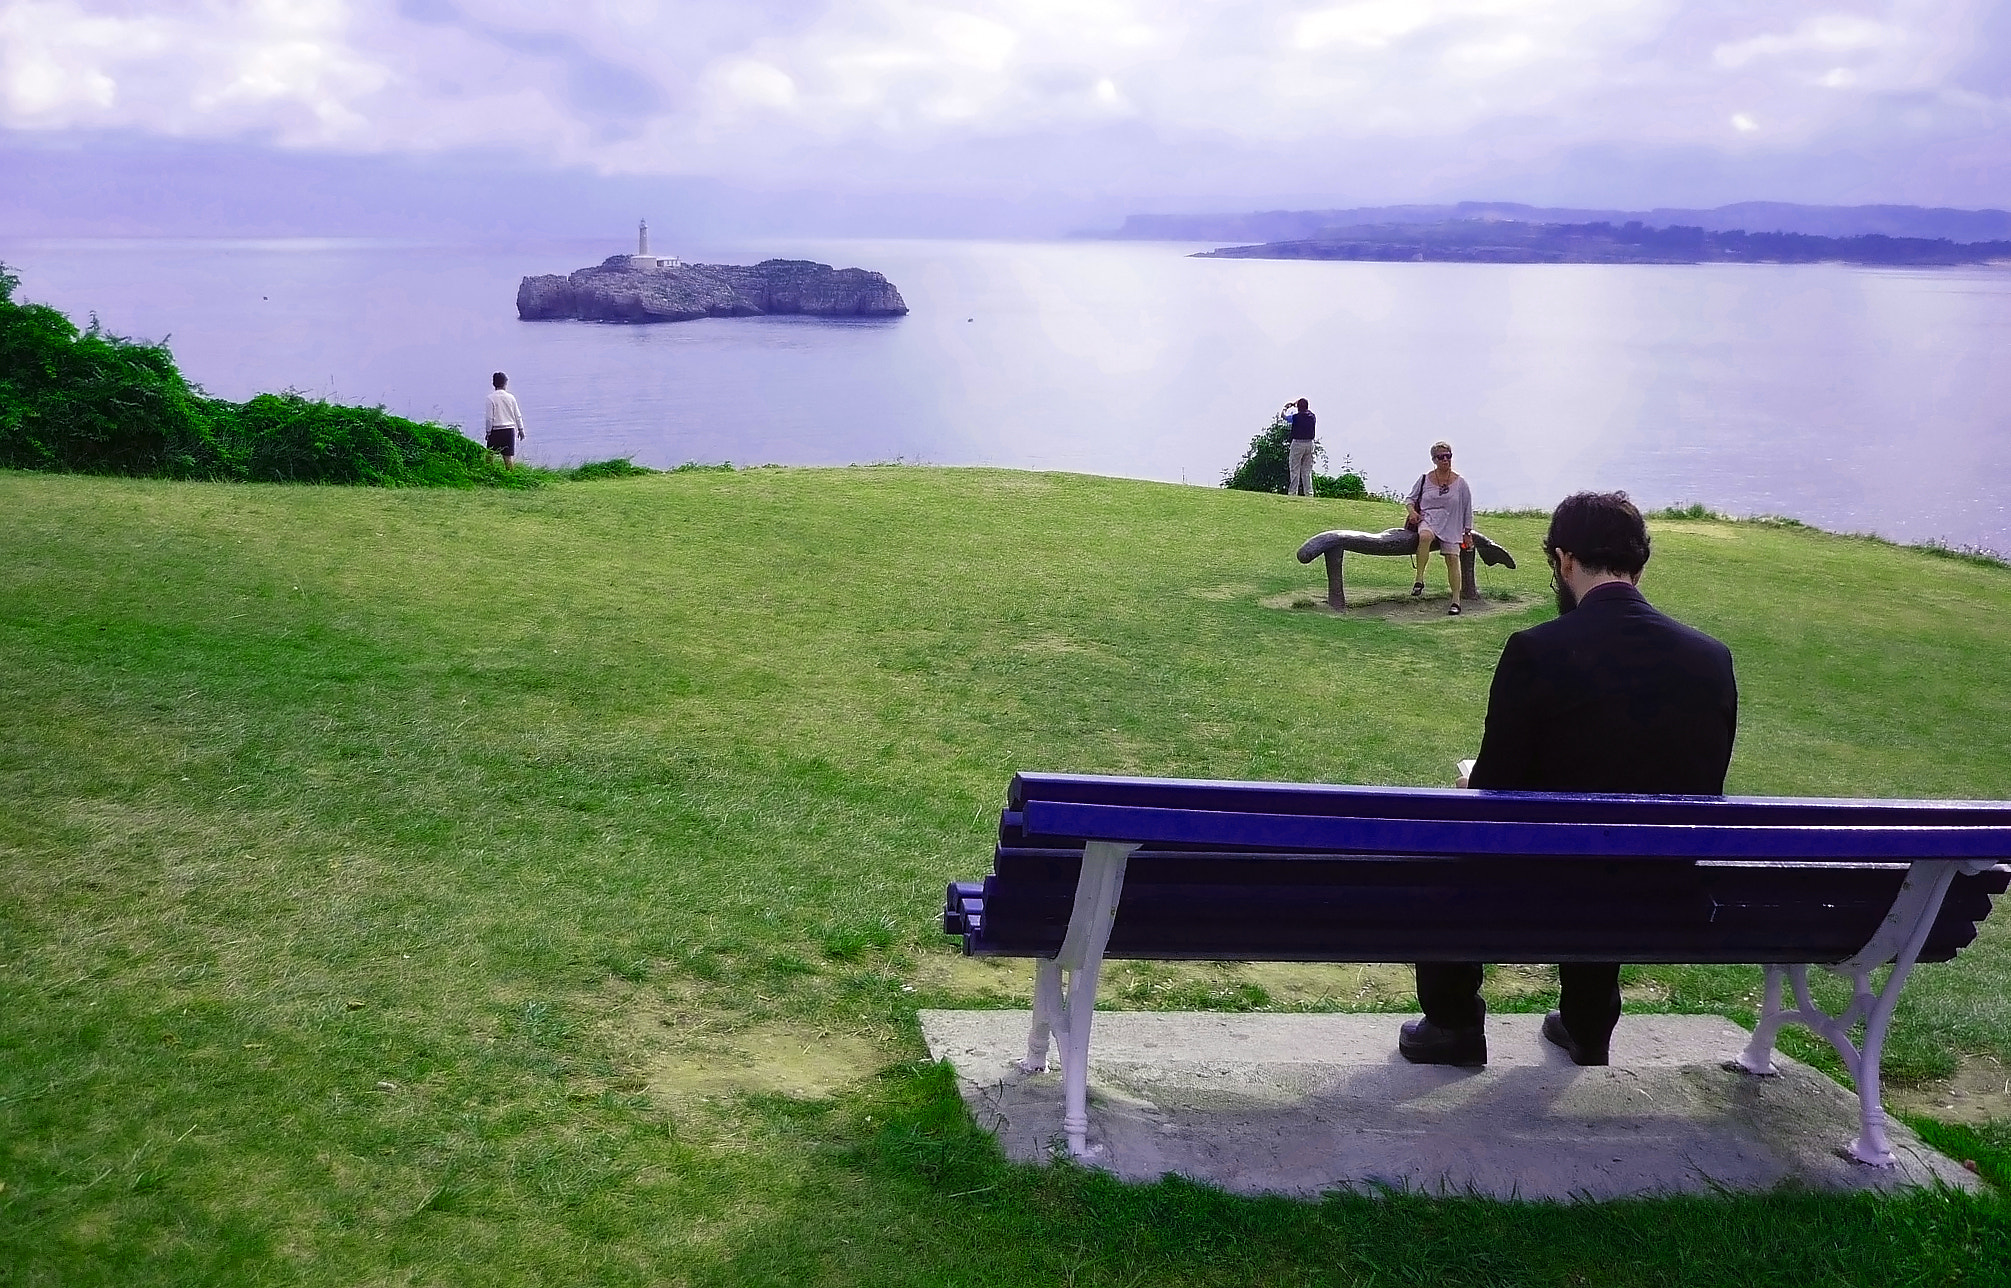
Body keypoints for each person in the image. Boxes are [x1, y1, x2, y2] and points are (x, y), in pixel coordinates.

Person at [1398, 491, 1738, 1068]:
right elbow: (1701, 783)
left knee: (1450, 847)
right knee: (1612, 841)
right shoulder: (1711, 659)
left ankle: (1453, 1023)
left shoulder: (1536, 651)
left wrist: (1471, 783)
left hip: (1543, 883)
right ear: (1640, 562)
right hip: (1662, 890)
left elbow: (1496, 792)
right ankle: (1587, 1023)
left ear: (1564, 560)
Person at [1406, 441, 1473, 615]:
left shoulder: (1461, 483)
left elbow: (1467, 508)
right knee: (1425, 536)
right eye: (1441, 457)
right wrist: (1412, 512)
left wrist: (1467, 532)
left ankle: (1456, 600)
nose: (1445, 460)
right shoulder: (1424, 479)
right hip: (1429, 519)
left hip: (1452, 524)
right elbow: (1410, 500)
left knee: (1452, 558)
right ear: (1434, 460)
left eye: (1448, 456)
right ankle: (1419, 579)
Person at [485, 372, 526, 468]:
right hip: (509, 430)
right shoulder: (511, 397)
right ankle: (510, 478)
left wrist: (488, 432)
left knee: (489, 456)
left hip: (495, 430)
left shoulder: (490, 398)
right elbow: (517, 415)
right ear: (505, 384)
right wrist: (521, 429)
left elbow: (489, 418)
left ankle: (489, 475)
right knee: (508, 458)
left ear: (493, 383)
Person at [1284, 399, 1317, 497]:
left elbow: (1284, 416)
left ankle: (1293, 492)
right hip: (1309, 443)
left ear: (1298, 407)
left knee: (1295, 469)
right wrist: (1297, 403)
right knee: (1307, 470)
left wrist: (1286, 408)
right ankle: (1309, 493)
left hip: (1298, 443)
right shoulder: (1312, 417)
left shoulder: (1296, 417)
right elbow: (1308, 411)